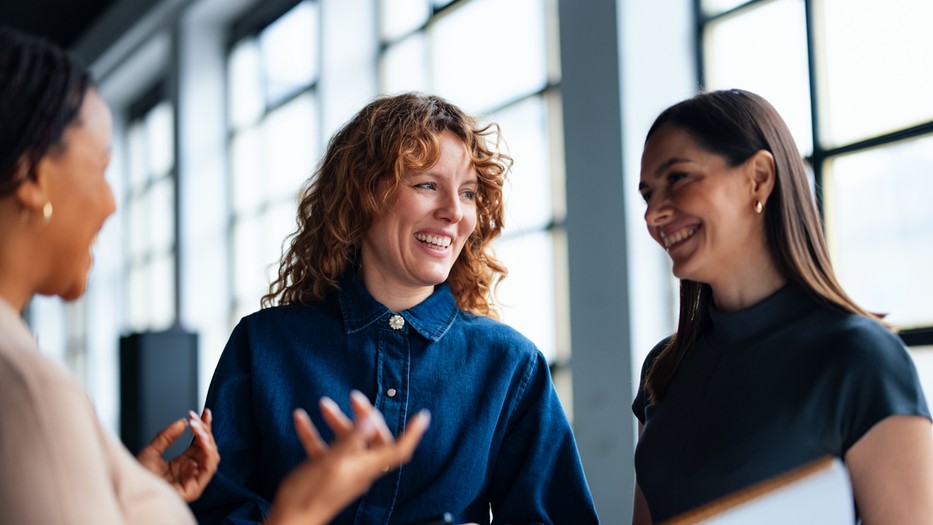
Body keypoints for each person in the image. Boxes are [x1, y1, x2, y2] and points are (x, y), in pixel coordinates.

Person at [0, 25, 429, 525]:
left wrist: (139, 496)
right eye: (100, 167)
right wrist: (302, 510)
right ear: (33, 176)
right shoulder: (27, 388)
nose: (111, 202)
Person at [190, 92, 599, 525]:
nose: (454, 212)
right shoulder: (262, 345)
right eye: (427, 185)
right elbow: (215, 510)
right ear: (362, 194)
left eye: (468, 193)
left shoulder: (512, 365)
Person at [631, 89, 933, 524]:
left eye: (677, 178)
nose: (653, 214)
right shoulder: (664, 369)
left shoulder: (861, 359)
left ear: (758, 178)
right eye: (647, 195)